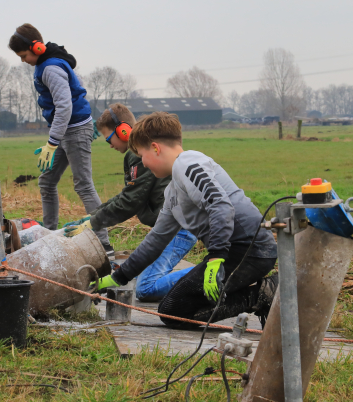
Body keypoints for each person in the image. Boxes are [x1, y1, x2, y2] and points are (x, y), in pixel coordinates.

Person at [94, 111, 279, 326]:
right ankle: (254, 293)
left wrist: (215, 259)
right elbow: (156, 240)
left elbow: (220, 205)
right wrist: (118, 277)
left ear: (155, 148)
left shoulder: (188, 164)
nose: (143, 162)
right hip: (235, 252)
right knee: (173, 308)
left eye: (142, 155)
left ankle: (262, 294)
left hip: (250, 251)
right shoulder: (173, 191)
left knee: (173, 310)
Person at [64, 103, 198, 301]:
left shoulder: (138, 155)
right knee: (135, 275)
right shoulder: (137, 154)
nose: (109, 144)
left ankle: (209, 274)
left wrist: (93, 223)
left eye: (109, 138)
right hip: (168, 227)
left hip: (178, 229)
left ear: (123, 130)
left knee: (146, 288)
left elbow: (130, 201)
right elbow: (128, 194)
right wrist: (92, 217)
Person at [8, 23, 113, 256]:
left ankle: (104, 244)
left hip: (74, 131)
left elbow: (64, 106)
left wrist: (52, 142)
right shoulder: (47, 62)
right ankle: (48, 236)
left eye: (24, 55)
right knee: (46, 181)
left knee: (83, 184)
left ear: (35, 47)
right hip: (66, 130)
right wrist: (55, 139)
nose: (23, 60)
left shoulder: (51, 69)